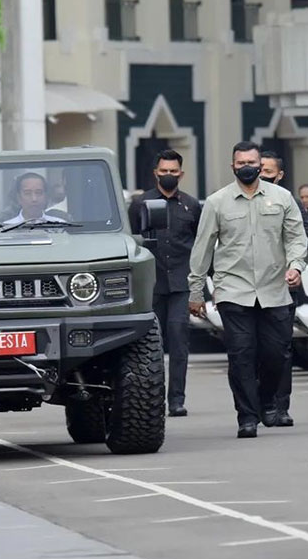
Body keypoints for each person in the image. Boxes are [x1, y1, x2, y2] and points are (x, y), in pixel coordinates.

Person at [189, 141, 308, 438]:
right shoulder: (217, 202)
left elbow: (295, 237)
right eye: (240, 162)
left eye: (251, 162)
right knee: (241, 354)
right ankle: (247, 416)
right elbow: (202, 248)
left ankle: (268, 400)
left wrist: (296, 266)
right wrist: (195, 291)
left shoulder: (282, 198)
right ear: (232, 166)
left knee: (277, 353)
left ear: (260, 165)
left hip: (275, 288)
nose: (246, 167)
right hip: (233, 290)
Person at [127, 149, 201, 417]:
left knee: (179, 342)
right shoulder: (140, 203)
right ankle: (151, 400)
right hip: (151, 285)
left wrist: (201, 288)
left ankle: (177, 400)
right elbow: (130, 242)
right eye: (164, 171)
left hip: (181, 283)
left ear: (181, 173)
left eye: (173, 171)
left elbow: (201, 246)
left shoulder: (191, 206)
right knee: (150, 345)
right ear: (155, 172)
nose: (168, 175)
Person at [260, 150, 308, 427]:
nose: (261, 177)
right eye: (258, 170)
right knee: (247, 349)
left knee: (279, 349)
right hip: (245, 288)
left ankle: (280, 407)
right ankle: (252, 406)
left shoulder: (289, 202)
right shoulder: (232, 200)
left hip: (282, 287)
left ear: (280, 175)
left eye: (268, 173)